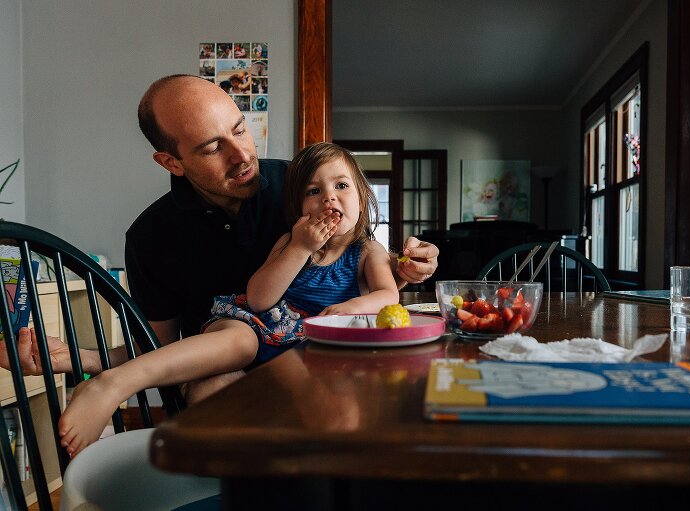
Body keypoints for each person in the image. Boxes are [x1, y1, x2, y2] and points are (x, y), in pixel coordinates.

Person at [1, 75, 437, 405]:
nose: (243, 155)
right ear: (170, 161)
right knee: (214, 391)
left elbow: (362, 268)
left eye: (240, 129)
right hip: (228, 379)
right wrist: (80, 358)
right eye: (213, 148)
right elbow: (157, 347)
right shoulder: (153, 235)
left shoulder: (300, 186)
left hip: (325, 371)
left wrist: (407, 266)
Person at [58, 141, 396, 456]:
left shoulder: (368, 250)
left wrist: (352, 307)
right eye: (313, 191)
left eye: (341, 186)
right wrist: (300, 247)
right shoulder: (291, 243)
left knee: (337, 405)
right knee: (237, 348)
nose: (328, 198)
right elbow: (259, 298)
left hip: (306, 356)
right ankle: (114, 382)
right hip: (260, 325)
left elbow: (387, 294)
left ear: (362, 199)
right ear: (297, 208)